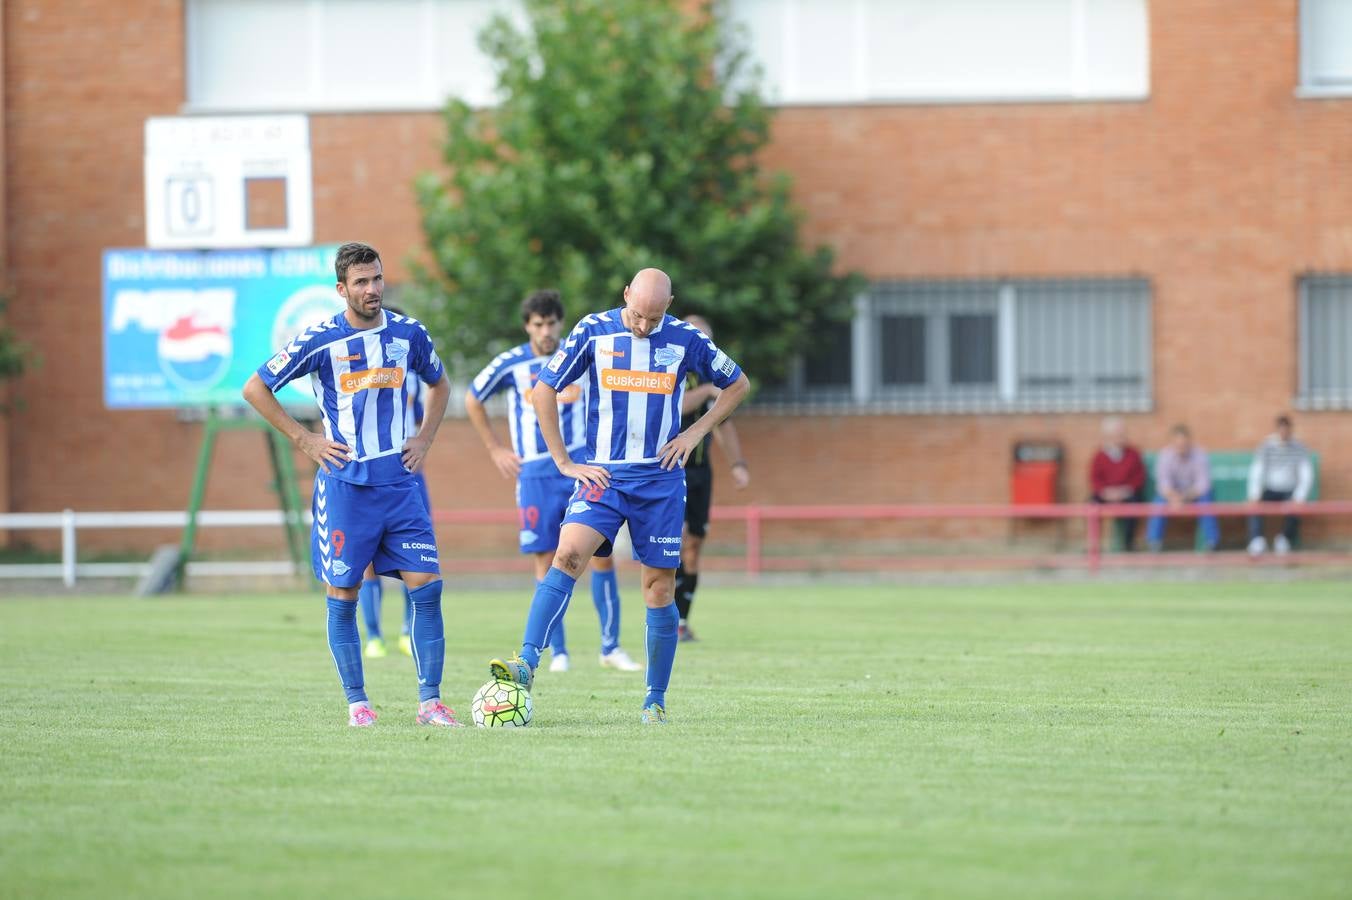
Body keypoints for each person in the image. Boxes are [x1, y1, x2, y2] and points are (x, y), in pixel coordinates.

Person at [487, 268, 750, 725]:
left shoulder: (686, 340)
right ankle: (526, 664)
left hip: (660, 481)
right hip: (603, 478)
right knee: (567, 555)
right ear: (625, 294)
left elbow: (738, 383)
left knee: (658, 588)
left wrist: (694, 433)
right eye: (637, 314)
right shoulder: (592, 330)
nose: (643, 326)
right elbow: (543, 390)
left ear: (667, 306)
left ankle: (654, 700)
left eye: (653, 318)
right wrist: (565, 462)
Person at [242, 241, 461, 728]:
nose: (372, 289)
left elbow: (440, 383)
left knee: (427, 588)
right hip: (345, 488)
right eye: (361, 282)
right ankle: (358, 704)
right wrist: (304, 440)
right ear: (341, 289)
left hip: (400, 485)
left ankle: (431, 703)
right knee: (343, 594)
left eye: (377, 278)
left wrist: (423, 439)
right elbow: (255, 387)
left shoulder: (408, 333)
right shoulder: (320, 341)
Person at [464, 289, 641, 674]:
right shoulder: (512, 363)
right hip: (537, 475)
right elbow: (473, 397)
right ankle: (557, 651)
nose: (546, 331)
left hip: (584, 468)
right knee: (548, 560)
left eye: (552, 323)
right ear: (528, 326)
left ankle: (611, 646)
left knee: (600, 557)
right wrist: (496, 449)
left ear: (561, 324)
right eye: (538, 324)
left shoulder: (581, 354)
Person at [673, 314, 750, 641]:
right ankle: (665, 617)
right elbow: (675, 407)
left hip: (703, 473)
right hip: (673, 470)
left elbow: (724, 424)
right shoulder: (671, 373)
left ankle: (682, 621)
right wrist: (706, 390)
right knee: (672, 543)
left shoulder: (712, 380)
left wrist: (738, 463)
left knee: (694, 545)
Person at [357, 306, 423, 659]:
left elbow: (422, 414)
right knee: (366, 557)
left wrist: (422, 442)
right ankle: (374, 635)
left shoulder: (413, 375)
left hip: (408, 474)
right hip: (368, 477)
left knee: (413, 557)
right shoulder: (361, 372)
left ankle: (404, 632)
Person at [1246, 414, 1315, 557]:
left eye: (1287, 430)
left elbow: (1306, 474)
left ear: (1290, 430)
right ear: (1277, 430)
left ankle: (1284, 539)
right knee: (1254, 506)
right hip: (1270, 489)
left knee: (1297, 507)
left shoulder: (1299, 447)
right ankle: (1257, 540)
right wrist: (1254, 494)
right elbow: (1257, 471)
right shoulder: (1266, 446)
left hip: (1289, 490)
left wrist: (1299, 496)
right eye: (1281, 430)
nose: (1284, 433)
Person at [1146, 424, 1219, 552]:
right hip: (1171, 494)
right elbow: (1163, 483)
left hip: (1194, 494)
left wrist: (1184, 497)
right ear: (1172, 443)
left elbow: (1203, 484)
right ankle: (1154, 542)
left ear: (1189, 442)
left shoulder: (1200, 455)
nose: (1181, 448)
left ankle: (1212, 542)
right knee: (1159, 503)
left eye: (1184, 444)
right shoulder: (1165, 455)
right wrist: (1174, 497)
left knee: (1206, 502)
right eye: (1178, 445)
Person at [1088, 416, 1147, 552]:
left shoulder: (1133, 454)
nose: (1122, 437)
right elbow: (1095, 479)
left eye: (1123, 433)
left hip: (1128, 494)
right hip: (1106, 494)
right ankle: (1094, 545)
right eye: (1118, 434)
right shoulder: (1099, 456)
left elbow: (1139, 478)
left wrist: (1124, 491)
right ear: (1108, 436)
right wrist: (1106, 493)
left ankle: (1128, 544)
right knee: (1091, 505)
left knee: (1135, 504)